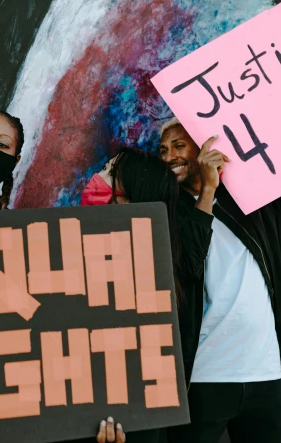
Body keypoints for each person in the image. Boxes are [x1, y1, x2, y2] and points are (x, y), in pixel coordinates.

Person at [159, 118, 281, 443]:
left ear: (205, 149)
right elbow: (188, 264)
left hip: (265, 375)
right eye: (163, 149)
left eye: (178, 145)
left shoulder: (257, 201)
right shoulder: (169, 214)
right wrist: (209, 190)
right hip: (201, 379)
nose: (168, 156)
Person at [81, 147, 206, 443]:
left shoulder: (157, 281)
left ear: (131, 198)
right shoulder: (69, 254)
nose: (95, 178)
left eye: (109, 173)